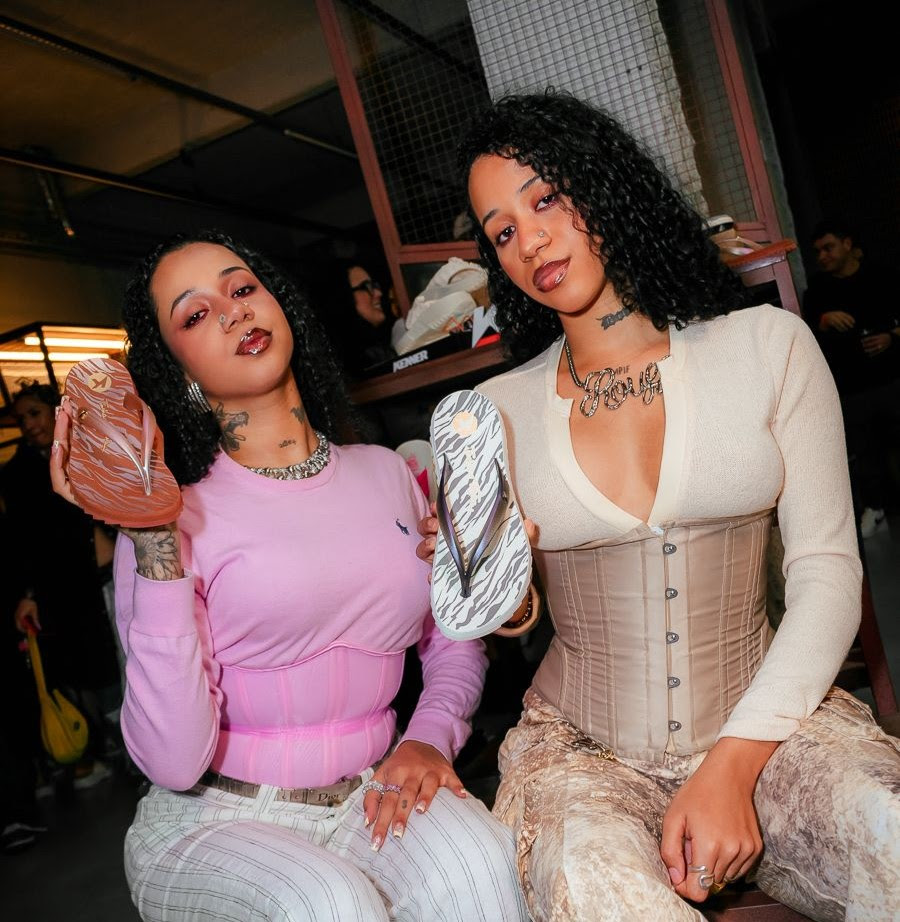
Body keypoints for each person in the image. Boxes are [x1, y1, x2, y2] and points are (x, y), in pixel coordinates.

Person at [417, 92, 899, 922]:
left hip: (769, 721)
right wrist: (502, 584)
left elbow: (826, 574)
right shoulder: (492, 412)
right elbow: (514, 621)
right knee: (599, 888)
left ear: (604, 183)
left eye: (545, 198)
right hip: (583, 752)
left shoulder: (768, 346)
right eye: (501, 231)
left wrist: (732, 765)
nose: (529, 240)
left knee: (889, 826)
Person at [50, 230, 526, 922]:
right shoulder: (168, 518)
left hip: (368, 791)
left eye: (242, 288)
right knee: (329, 904)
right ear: (175, 368)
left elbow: (450, 637)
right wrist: (153, 543)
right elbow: (173, 762)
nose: (234, 311)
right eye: (196, 314)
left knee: (484, 864)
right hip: (215, 817)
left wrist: (429, 735)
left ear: (282, 307)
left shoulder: (388, 473)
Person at [1, 381, 120, 789]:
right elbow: (21, 544)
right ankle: (124, 753)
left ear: (56, 410)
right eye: (21, 419)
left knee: (132, 659)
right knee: (97, 670)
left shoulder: (88, 449)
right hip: (69, 590)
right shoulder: (17, 475)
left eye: (34, 414)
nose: (29, 425)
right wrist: (27, 595)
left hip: (116, 575)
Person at [803, 220, 900, 537]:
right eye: (818, 251)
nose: (822, 256)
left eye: (828, 247)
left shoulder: (882, 276)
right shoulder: (818, 291)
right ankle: (876, 508)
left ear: (847, 244)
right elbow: (806, 336)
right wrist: (824, 319)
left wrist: (890, 337)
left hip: (891, 379)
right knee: (865, 454)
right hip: (851, 388)